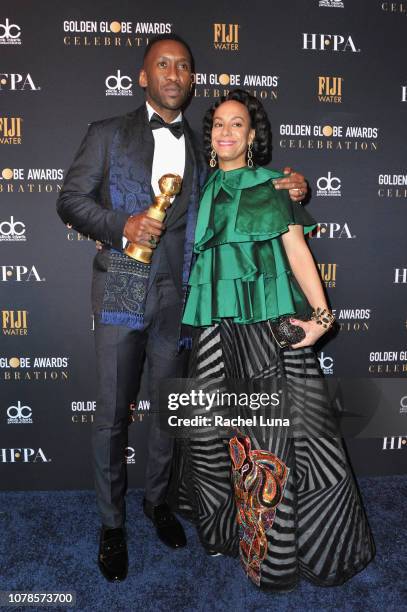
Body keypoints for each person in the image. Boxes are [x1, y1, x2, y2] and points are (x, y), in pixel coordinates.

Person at [56, 35, 309, 583]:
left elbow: (247, 183)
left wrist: (289, 185)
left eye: (184, 66)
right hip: (123, 285)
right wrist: (119, 226)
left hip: (184, 296)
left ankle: (157, 503)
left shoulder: (203, 148)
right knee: (111, 414)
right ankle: (112, 524)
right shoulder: (106, 134)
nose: (175, 73)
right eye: (163, 64)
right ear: (144, 76)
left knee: (171, 412)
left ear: (192, 81)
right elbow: (69, 201)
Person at [171, 89, 376, 592]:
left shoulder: (272, 184)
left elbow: (298, 253)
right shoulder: (199, 189)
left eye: (236, 124)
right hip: (215, 333)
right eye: (218, 124)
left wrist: (323, 317)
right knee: (213, 436)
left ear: (253, 135)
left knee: (284, 441)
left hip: (265, 331)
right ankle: (229, 535)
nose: (225, 132)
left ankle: (289, 552)